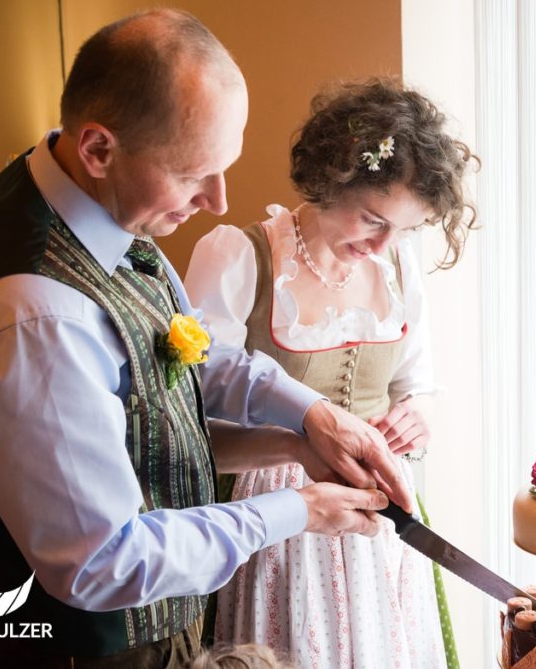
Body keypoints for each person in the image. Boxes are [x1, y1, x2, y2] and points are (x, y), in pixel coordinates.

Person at [0, 10, 413, 668]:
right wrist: (298, 511)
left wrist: (307, 426)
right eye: (193, 175)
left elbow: (180, 367)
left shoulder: (92, 198)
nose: (217, 200)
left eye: (224, 167)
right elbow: (104, 563)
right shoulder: (32, 322)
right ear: (99, 148)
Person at [185, 78, 477, 668]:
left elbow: (418, 383)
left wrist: (417, 414)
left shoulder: (397, 268)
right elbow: (192, 422)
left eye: (405, 228)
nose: (383, 243)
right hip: (275, 516)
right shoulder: (240, 257)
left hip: (378, 517)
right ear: (331, 177)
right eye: (373, 218)